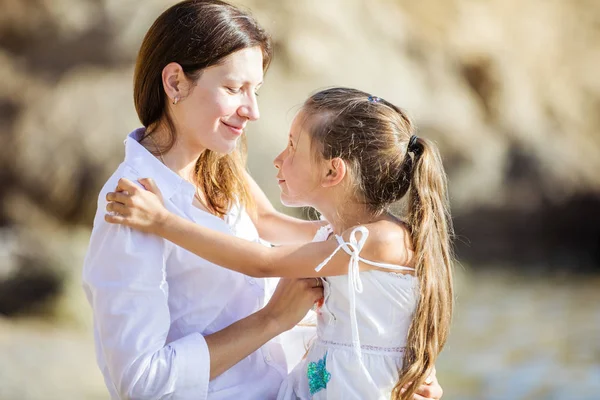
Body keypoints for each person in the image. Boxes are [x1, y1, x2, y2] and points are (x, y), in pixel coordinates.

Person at [83, 0, 444, 399]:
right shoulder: (134, 204)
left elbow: (280, 236)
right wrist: (271, 320)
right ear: (174, 83)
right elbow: (141, 384)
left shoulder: (222, 169)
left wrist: (395, 371)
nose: (253, 110)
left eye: (255, 89)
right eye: (235, 88)